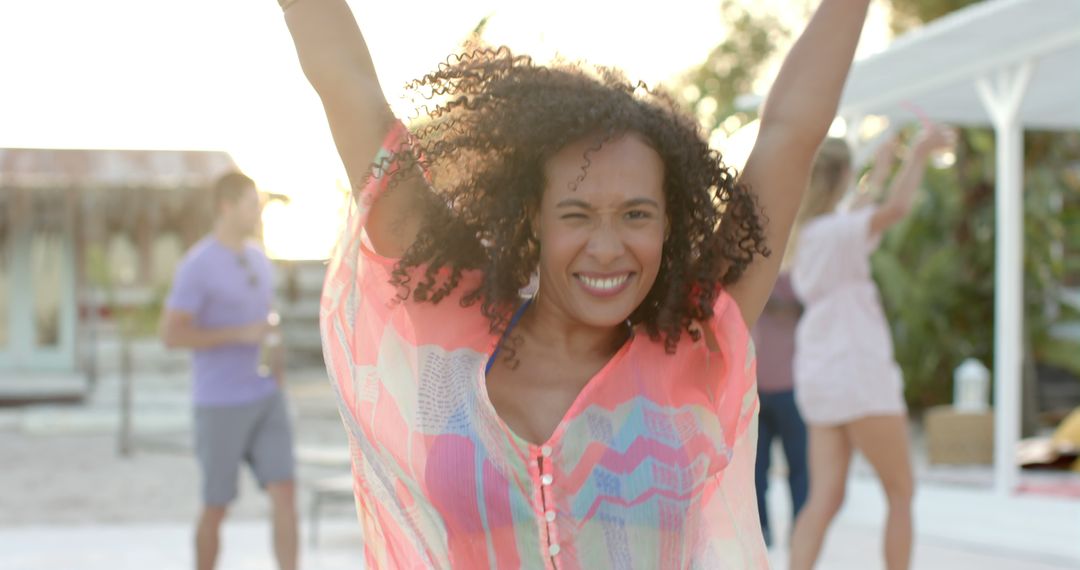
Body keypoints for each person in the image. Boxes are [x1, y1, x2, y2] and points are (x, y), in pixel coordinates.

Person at [279, 0, 869, 566]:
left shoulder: (695, 342)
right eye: (576, 214)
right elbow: (354, 96)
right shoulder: (450, 315)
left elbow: (789, 133)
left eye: (637, 214)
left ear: (671, 221)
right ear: (532, 217)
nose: (608, 248)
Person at [787, 126, 954, 570]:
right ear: (841, 175)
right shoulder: (838, 231)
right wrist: (918, 153)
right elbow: (896, 208)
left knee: (825, 497)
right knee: (901, 492)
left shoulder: (809, 232)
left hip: (820, 373)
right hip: (858, 368)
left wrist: (880, 169)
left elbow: (860, 209)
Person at [161, 172, 298, 570]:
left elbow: (267, 322)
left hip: (267, 396)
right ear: (226, 206)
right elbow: (171, 335)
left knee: (285, 491)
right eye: (251, 204)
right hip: (219, 403)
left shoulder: (258, 257)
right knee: (216, 506)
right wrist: (240, 334)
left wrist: (278, 368)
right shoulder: (197, 265)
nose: (257, 211)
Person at [751, 270, 808, 549]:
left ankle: (801, 531)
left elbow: (807, 308)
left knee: (799, 468)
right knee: (757, 468)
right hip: (759, 391)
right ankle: (761, 530)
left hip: (792, 390)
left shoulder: (800, 280)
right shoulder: (753, 279)